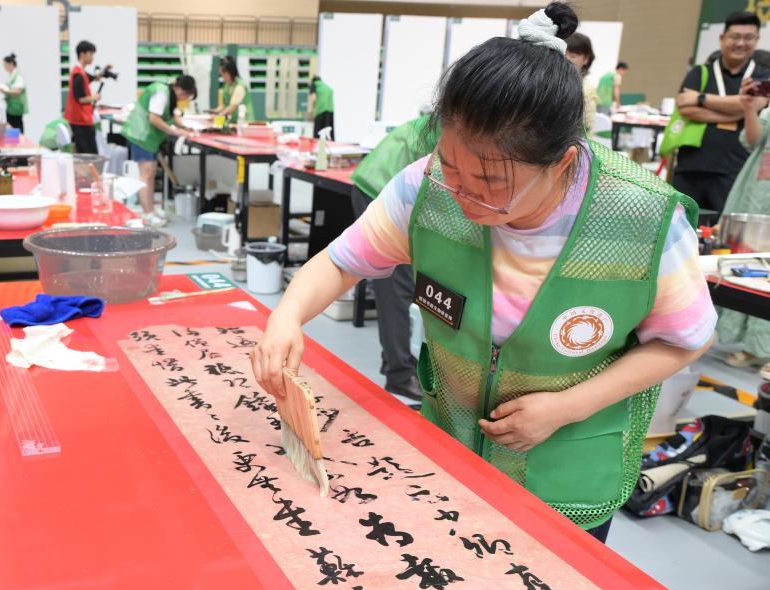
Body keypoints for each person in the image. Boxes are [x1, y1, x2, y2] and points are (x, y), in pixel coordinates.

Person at [250, 2, 716, 544]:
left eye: (490, 179)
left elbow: (683, 342)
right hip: (447, 448)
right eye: (451, 167)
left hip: (565, 471)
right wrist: (286, 317)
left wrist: (568, 406)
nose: (462, 192)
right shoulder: (425, 187)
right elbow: (339, 262)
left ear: (561, 164)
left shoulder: (641, 217)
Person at [350, 111, 439, 402]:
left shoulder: (448, 120)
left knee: (400, 283)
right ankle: (399, 374)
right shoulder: (456, 129)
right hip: (381, 188)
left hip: (379, 181)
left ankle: (396, 363)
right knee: (395, 285)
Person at [672, 10, 770, 220]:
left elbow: (758, 103)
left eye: (748, 37)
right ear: (722, 38)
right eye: (735, 37)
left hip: (734, 171)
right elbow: (685, 107)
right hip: (691, 167)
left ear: (757, 40)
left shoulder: (763, 74)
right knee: (679, 229)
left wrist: (701, 98)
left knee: (723, 236)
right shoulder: (699, 72)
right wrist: (738, 112)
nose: (741, 43)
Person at [713, 76, 770, 371]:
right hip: (757, 193)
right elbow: (752, 141)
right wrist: (750, 109)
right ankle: (754, 346)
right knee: (753, 265)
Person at [120, 75, 197, 228]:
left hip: (150, 139)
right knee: (146, 174)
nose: (184, 99)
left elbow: (173, 115)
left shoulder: (169, 92)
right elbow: (154, 119)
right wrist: (174, 131)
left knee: (151, 174)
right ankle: (147, 214)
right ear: (180, 89)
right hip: (141, 135)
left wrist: (183, 128)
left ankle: (150, 209)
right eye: (185, 95)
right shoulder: (161, 92)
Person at [65, 40, 111, 154]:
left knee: (86, 153)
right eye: (91, 54)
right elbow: (80, 98)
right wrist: (94, 98)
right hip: (80, 120)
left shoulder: (81, 72)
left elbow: (92, 78)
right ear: (82, 54)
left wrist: (103, 71)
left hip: (81, 119)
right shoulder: (78, 74)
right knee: (89, 154)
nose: (92, 57)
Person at [565, 31, 597, 133]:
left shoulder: (586, 88)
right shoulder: (556, 81)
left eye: (573, 56)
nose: (567, 59)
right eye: (564, 54)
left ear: (586, 59)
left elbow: (586, 125)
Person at [211, 56, 253, 122]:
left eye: (224, 74)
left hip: (245, 122)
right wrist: (214, 112)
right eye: (221, 75)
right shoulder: (227, 85)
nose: (223, 77)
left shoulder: (240, 86)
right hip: (235, 122)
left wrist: (218, 117)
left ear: (231, 71)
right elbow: (223, 105)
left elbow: (233, 106)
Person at [0, 53, 27, 133]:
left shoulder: (18, 76)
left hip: (16, 107)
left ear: (11, 64)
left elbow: (17, 91)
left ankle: (19, 143)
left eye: (5, 65)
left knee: (17, 127)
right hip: (11, 107)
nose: (4, 67)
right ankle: (13, 142)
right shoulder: (12, 76)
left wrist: (5, 90)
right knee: (11, 127)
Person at [308, 76, 334, 140]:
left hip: (320, 111)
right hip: (330, 112)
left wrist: (310, 111)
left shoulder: (314, 85)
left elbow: (313, 98)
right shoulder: (327, 87)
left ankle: (317, 147)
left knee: (317, 134)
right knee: (329, 133)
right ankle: (331, 146)